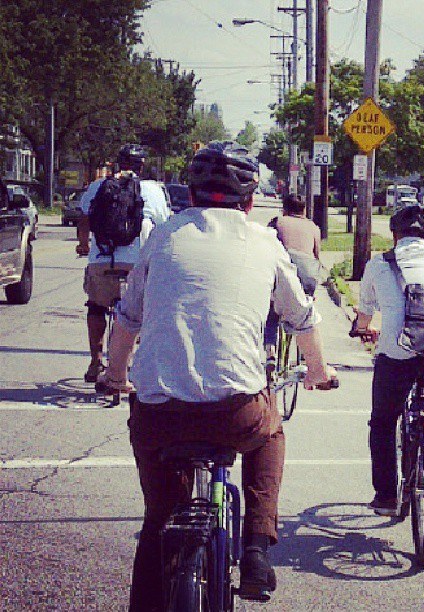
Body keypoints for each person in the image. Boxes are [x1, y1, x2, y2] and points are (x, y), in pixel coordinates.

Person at [97, 144, 337, 610]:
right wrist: (318, 371)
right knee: (270, 431)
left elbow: (128, 318)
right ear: (250, 201)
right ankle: (256, 548)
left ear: (190, 194)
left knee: (158, 521)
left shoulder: (163, 237)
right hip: (236, 414)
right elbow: (302, 317)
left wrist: (115, 375)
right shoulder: (265, 243)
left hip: (159, 415)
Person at [352, 205, 424, 516]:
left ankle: (386, 497)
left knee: (383, 422)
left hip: (399, 349)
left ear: (394, 235)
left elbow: (365, 311)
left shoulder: (379, 264)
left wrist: (363, 329)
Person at [76, 144, 170, 383]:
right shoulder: (152, 190)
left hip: (101, 261)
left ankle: (95, 362)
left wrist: (83, 245)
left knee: (96, 307)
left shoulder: (98, 186)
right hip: (136, 264)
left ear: (119, 163)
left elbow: (84, 218)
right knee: (142, 312)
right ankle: (136, 362)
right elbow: (163, 226)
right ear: (141, 166)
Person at [264, 194, 321, 365]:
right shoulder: (314, 227)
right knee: (305, 314)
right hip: (308, 273)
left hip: (284, 269)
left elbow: (266, 248)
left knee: (272, 312)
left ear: (284, 209)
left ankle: (270, 352)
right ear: (304, 210)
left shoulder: (277, 222)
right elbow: (316, 256)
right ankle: (305, 354)